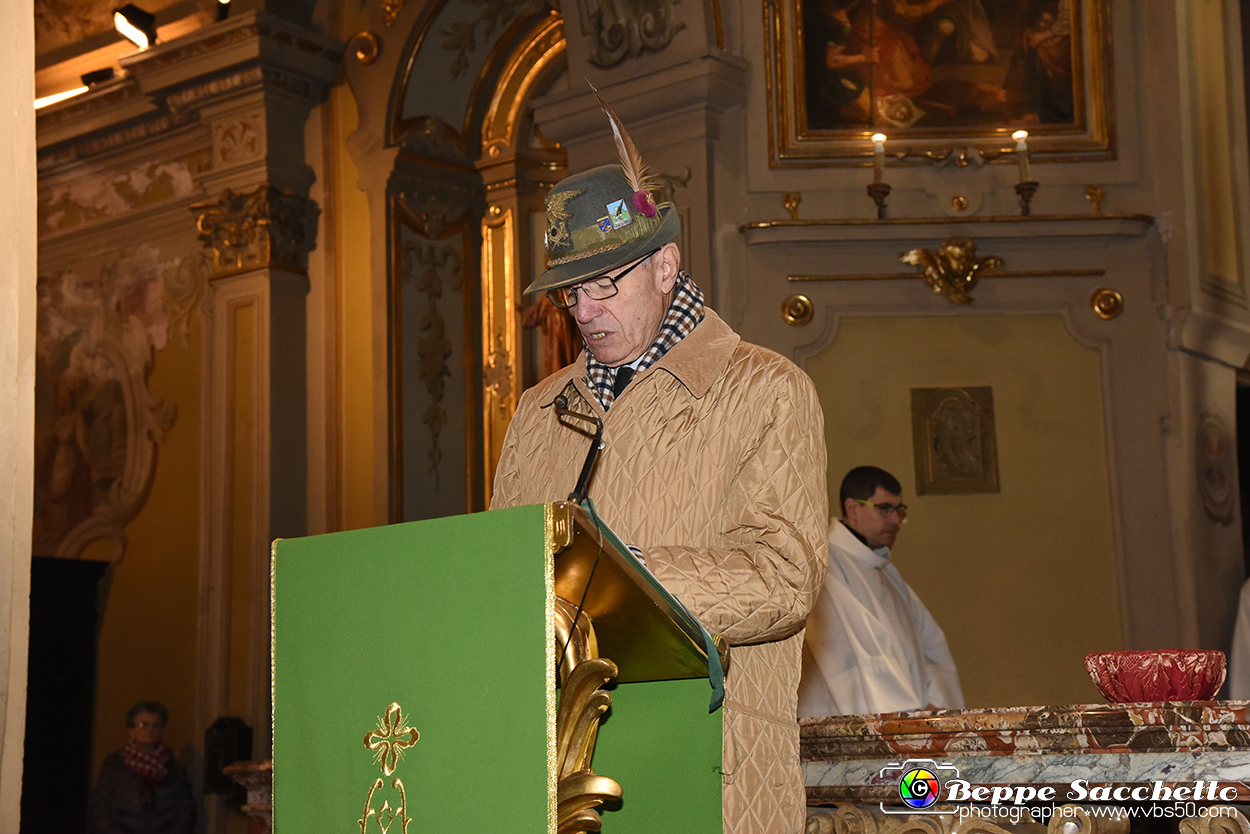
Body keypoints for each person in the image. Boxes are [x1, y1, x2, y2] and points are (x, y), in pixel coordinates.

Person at [491, 99, 829, 834]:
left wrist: (620, 580)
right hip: (558, 778)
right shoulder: (537, 412)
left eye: (606, 283)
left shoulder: (766, 390)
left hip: (713, 772)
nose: (585, 309)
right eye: (571, 292)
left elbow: (786, 577)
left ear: (667, 265)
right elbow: (500, 580)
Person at [798, 466, 963, 717]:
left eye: (899, 509)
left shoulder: (885, 570)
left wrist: (934, 706)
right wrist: (906, 715)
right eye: (885, 509)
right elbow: (859, 654)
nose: (896, 519)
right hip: (854, 721)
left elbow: (930, 645)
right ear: (853, 509)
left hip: (912, 717)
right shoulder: (827, 564)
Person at [88, 701, 196, 834]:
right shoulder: (114, 768)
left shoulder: (173, 770)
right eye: (143, 725)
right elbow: (100, 811)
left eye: (156, 725)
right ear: (131, 731)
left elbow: (185, 811)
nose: (150, 730)